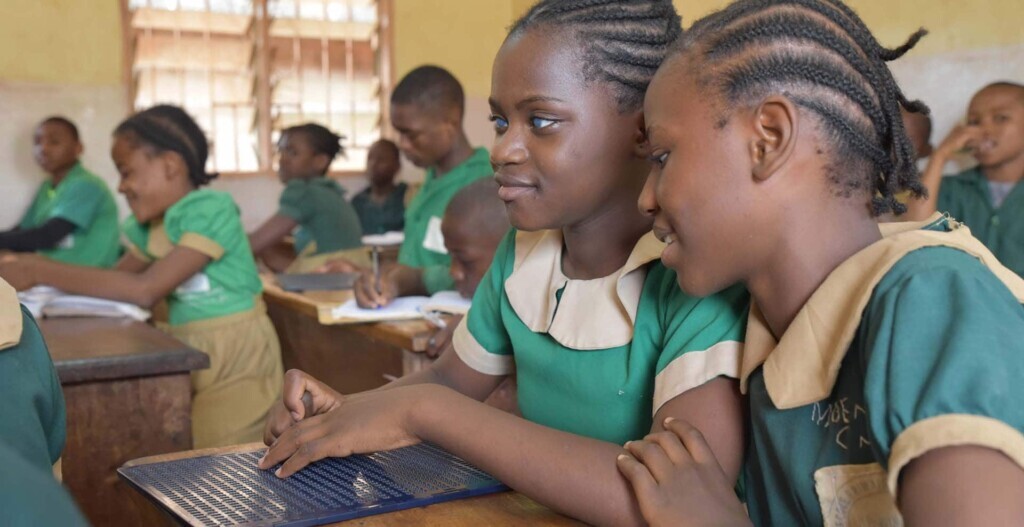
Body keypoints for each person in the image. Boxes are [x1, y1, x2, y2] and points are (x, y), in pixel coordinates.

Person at [258, 2, 750, 526]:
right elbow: (449, 380)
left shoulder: (694, 275)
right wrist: (343, 412)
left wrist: (422, 413)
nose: (502, 149)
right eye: (499, 121)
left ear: (641, 132)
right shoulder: (525, 255)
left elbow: (676, 496)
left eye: (541, 121)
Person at [616, 2, 1024, 525]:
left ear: (768, 139)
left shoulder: (932, 295)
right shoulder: (764, 339)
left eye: (664, 157)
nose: (645, 199)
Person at [0, 105, 283, 449]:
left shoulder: (210, 209)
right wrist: (43, 281)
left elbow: (145, 290)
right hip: (188, 347)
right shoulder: (155, 224)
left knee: (221, 455)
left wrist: (36, 268)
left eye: (126, 172)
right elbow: (110, 282)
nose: (121, 187)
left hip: (239, 358)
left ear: (170, 165)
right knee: (184, 449)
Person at [342, 66, 493, 303]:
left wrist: (412, 280)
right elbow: (415, 259)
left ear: (450, 122)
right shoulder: (428, 183)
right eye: (398, 134)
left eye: (411, 134)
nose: (402, 145)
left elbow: (491, 271)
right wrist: (378, 276)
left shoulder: (486, 186)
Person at [906, 82, 1024, 276]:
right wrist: (940, 156)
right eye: (974, 122)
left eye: (1000, 118)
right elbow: (912, 234)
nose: (983, 130)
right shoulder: (951, 189)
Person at [0, 117, 119, 268]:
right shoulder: (47, 187)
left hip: (88, 278)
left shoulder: (86, 184)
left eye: (54, 142)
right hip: (53, 277)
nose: (43, 149)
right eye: (37, 142)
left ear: (78, 148)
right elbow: (22, 231)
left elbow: (48, 236)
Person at [249, 123, 364, 273]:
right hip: (350, 273)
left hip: (333, 281)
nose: (282, 159)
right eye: (280, 151)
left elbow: (253, 244)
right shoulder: (328, 191)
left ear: (320, 161)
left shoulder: (305, 193)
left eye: (292, 153)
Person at [351, 139, 407, 235]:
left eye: (381, 159)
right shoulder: (357, 202)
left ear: (397, 166)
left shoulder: (408, 197)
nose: (373, 164)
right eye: (370, 159)